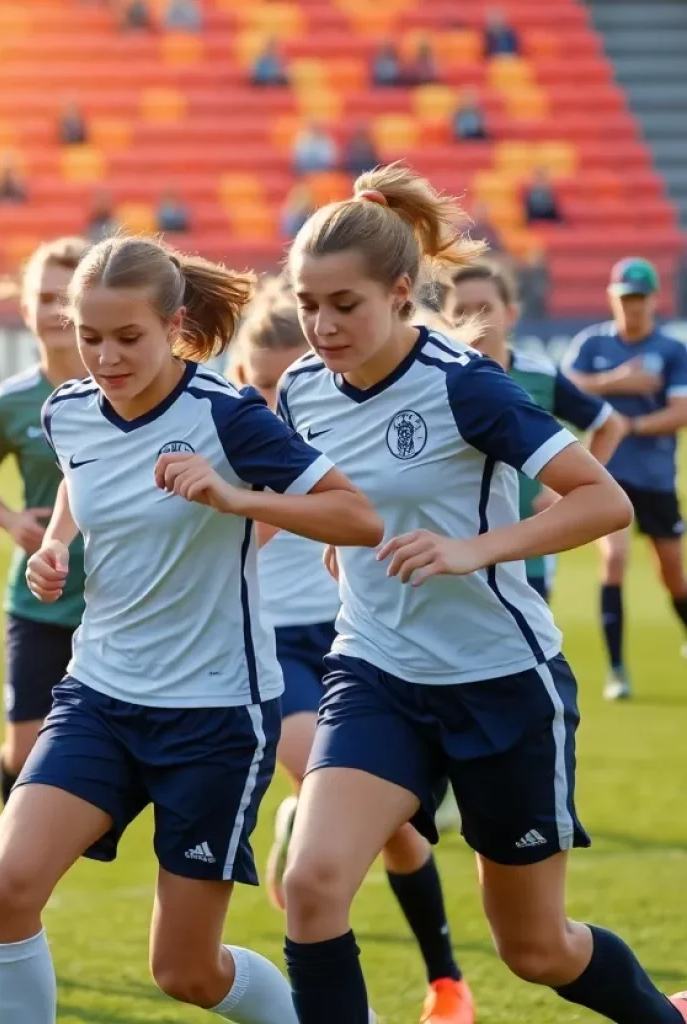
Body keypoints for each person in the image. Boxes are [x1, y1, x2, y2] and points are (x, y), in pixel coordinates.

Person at [276, 166, 687, 1024]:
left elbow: (600, 499)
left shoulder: (463, 382)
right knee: (313, 886)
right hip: (375, 673)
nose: (320, 327)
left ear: (398, 293)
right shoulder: (300, 391)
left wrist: (473, 550)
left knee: (536, 950)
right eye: (308, 303)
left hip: (500, 682)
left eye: (343, 305)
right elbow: (331, 500)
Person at [0, 236, 384, 1024]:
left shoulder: (224, 417)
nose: (104, 356)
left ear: (173, 325)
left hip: (215, 716)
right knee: (7, 887)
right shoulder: (66, 410)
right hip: (99, 695)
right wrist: (58, 543)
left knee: (187, 973)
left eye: (127, 337)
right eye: (89, 337)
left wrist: (237, 500)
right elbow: (81, 476)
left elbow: (357, 516)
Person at [229, 278, 475, 1024]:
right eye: (260, 385)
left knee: (400, 831)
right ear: (243, 378)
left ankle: (445, 983)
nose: (276, 400)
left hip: (349, 640)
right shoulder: (230, 441)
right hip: (271, 651)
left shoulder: (339, 424)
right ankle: (311, 816)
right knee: (365, 809)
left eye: (285, 383)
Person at [0, 238, 91, 912]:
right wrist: (13, 522)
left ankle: (16, 862)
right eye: (45, 297)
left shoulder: (120, 391)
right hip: (36, 601)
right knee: (23, 748)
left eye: (70, 299)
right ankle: (6, 839)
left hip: (113, 604)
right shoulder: (11, 401)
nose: (57, 312)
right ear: (25, 305)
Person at [444, 261, 626, 602]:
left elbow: (609, 424)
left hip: (526, 556)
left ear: (510, 314)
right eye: (460, 311)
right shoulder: (431, 381)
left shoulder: (539, 376)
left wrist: (564, 494)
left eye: (484, 309)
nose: (473, 321)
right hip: (450, 550)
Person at [562, 257, 687, 700]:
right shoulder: (591, 344)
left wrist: (628, 425)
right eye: (624, 299)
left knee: (673, 575)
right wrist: (618, 382)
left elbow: (680, 412)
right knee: (613, 561)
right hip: (606, 474)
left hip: (654, 477)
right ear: (613, 298)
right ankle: (617, 671)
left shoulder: (672, 351)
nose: (631, 307)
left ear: (653, 300)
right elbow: (566, 385)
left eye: (638, 299)